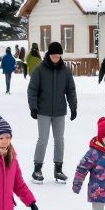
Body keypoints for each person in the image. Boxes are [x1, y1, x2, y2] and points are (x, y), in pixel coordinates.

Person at [27, 41, 77, 184]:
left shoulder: (66, 71)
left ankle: (58, 169)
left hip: (59, 112)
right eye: (54, 56)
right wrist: (33, 107)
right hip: (43, 111)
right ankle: (37, 168)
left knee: (59, 140)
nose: (56, 58)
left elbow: (71, 91)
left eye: (58, 56)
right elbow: (32, 90)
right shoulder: (39, 70)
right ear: (49, 55)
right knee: (43, 140)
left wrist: (73, 107)